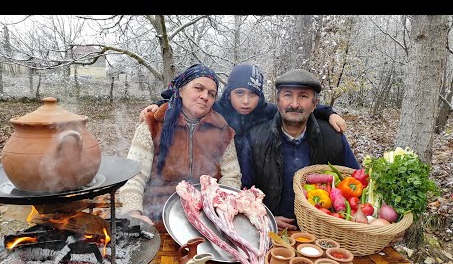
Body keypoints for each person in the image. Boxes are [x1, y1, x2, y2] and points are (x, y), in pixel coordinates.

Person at [119, 64, 242, 230]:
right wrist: (133, 212)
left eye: (211, 94)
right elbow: (134, 175)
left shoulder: (223, 131)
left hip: (206, 219)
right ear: (181, 90)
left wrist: (220, 207)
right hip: (155, 219)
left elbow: (232, 177)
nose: (205, 96)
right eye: (198, 88)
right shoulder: (153, 125)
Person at [139, 63, 347, 161]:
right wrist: (160, 103)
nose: (246, 101)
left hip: (253, 170)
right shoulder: (216, 109)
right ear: (229, 93)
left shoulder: (268, 112)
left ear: (261, 97)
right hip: (220, 169)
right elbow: (186, 100)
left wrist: (328, 112)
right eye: (239, 93)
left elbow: (295, 107)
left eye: (253, 94)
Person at [240, 68, 360, 232]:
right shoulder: (255, 139)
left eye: (303, 96)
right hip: (269, 231)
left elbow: (356, 183)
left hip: (322, 233)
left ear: (314, 104)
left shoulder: (333, 138)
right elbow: (242, 191)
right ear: (278, 101)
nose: (294, 104)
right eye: (287, 95)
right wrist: (265, 217)